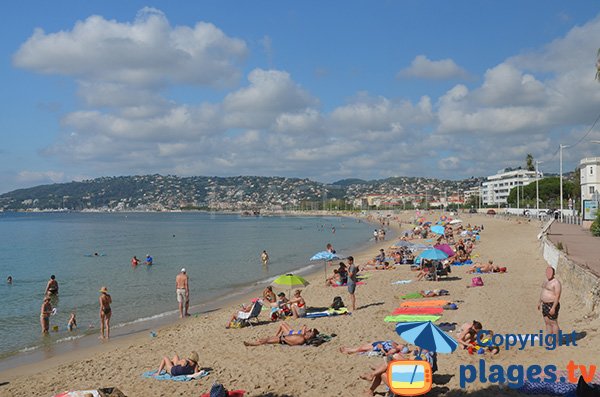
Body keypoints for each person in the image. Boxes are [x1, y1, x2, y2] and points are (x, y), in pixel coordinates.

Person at [243, 322, 319, 346]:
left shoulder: (301, 339)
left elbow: (292, 343)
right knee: (267, 339)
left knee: (266, 340)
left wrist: (284, 339)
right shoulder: (302, 337)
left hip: (282, 339)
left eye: (309, 332)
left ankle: (252, 344)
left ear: (309, 336)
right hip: (282, 338)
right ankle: (255, 342)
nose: (308, 332)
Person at [538, 266, 561, 335]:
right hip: (544, 304)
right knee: (547, 323)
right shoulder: (545, 281)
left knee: (553, 323)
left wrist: (553, 307)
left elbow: (558, 296)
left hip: (551, 304)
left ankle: (556, 341)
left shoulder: (556, 283)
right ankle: (549, 340)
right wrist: (539, 301)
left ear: (553, 273)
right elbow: (543, 291)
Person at [339, 340, 406, 356]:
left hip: (378, 347)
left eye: (402, 346)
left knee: (362, 349)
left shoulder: (394, 350)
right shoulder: (395, 344)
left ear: (401, 349)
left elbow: (387, 354)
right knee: (362, 347)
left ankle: (349, 351)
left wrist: (381, 348)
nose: (401, 345)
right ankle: (350, 349)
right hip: (378, 343)